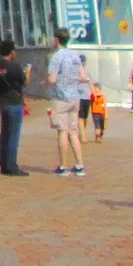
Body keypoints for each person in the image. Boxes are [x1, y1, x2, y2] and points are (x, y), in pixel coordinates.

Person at [46, 28, 89, 177]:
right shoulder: (76, 57)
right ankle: (79, 165)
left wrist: (53, 81)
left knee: (62, 132)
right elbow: (83, 76)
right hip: (74, 97)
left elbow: (52, 79)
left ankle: (63, 167)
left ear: (57, 40)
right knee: (73, 132)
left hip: (61, 97)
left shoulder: (56, 57)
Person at [0, 39, 30, 175]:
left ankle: (3, 164)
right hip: (14, 102)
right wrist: (28, 72)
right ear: (11, 52)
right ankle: (11, 165)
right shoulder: (15, 66)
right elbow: (24, 82)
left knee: (5, 133)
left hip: (3, 101)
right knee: (13, 135)